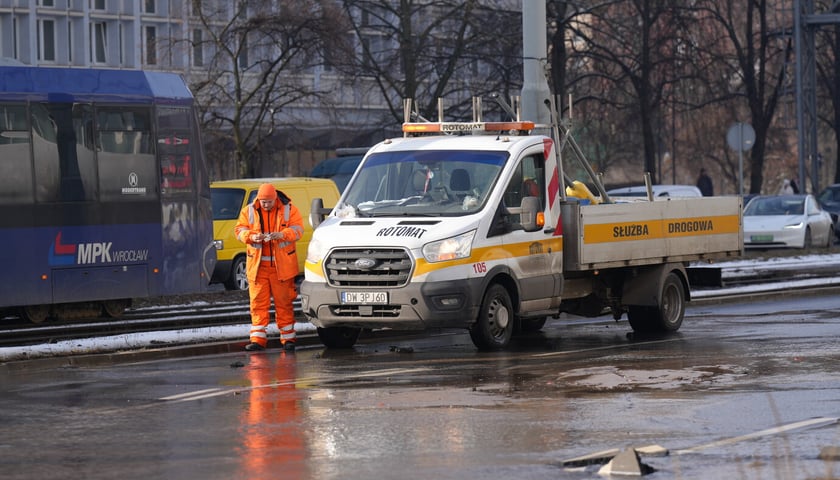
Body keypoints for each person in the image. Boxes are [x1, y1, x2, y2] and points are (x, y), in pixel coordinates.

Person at [235, 183, 304, 352]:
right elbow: (239, 231)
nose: (266, 205)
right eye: (263, 201)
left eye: (269, 202)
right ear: (258, 199)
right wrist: (252, 236)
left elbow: (298, 230)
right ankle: (258, 340)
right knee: (258, 305)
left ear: (275, 199)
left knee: (284, 304)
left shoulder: (289, 209)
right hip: (258, 268)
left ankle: (288, 340)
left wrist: (282, 234)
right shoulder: (249, 210)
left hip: (282, 269)